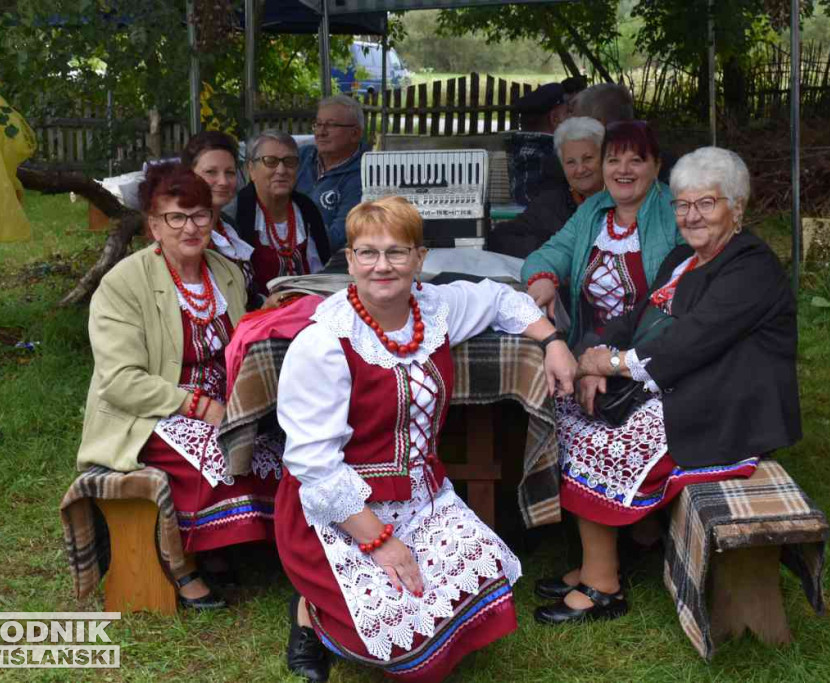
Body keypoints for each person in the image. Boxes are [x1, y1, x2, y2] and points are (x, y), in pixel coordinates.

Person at [274, 196, 577, 682]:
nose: (382, 265)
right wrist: (380, 544)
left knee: (479, 579)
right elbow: (315, 469)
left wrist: (552, 340)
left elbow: (502, 298)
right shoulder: (325, 343)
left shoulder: (433, 310)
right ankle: (309, 613)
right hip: (342, 511)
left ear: (420, 258)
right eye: (367, 253)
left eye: (397, 252)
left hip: (420, 496)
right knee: (404, 646)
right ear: (349, 261)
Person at [532, 147, 801, 625]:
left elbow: (690, 344)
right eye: (682, 204)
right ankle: (613, 552)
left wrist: (611, 363)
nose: (690, 216)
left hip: (724, 402)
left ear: (736, 207)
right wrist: (592, 361)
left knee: (602, 440)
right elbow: (635, 319)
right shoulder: (684, 258)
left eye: (706, 204)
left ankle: (603, 586)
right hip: (676, 385)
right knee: (567, 412)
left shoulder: (750, 267)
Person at [76, 164, 275, 610]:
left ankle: (221, 548)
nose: (190, 227)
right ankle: (180, 561)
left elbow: (241, 348)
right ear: (153, 225)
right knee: (218, 458)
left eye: (201, 216)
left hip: (224, 407)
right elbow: (120, 381)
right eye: (176, 217)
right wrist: (200, 406)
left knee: (270, 455)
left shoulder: (226, 272)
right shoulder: (123, 284)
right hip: (149, 414)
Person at [521, 121, 684, 349]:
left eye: (635, 161)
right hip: (589, 344)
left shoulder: (677, 212)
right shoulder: (593, 209)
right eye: (613, 160)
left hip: (652, 348)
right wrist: (542, 278)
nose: (622, 170)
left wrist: (610, 361)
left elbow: (680, 300)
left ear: (656, 167)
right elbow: (553, 251)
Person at [235, 129, 332, 301]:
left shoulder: (307, 209)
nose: (281, 170)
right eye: (270, 161)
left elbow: (322, 268)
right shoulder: (237, 213)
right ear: (251, 169)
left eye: (289, 162)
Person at [489, 116, 606, 259]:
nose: (580, 169)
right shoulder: (550, 203)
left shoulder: (623, 198)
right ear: (561, 165)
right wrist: (553, 250)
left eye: (588, 158)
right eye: (571, 162)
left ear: (604, 157)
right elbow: (500, 238)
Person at [182, 130, 259, 306]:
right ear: (188, 175)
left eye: (230, 172)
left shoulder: (228, 225)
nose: (223, 181)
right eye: (211, 172)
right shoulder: (185, 233)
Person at [296, 95, 369, 247]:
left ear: (355, 134)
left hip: (330, 265)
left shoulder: (364, 174)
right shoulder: (299, 157)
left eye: (331, 125)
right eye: (318, 124)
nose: (321, 132)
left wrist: (287, 235)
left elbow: (339, 237)